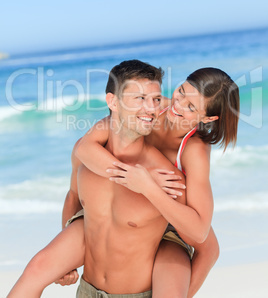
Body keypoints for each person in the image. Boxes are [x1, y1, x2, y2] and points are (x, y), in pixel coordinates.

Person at [7, 61, 240, 298]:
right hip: (125, 197)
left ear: (208, 119)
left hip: (170, 213)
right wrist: (133, 176)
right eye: (181, 91)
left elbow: (202, 238)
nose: (177, 104)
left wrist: (148, 187)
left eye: (190, 106)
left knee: (198, 253)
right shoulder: (154, 107)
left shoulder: (194, 150)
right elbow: (83, 149)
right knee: (41, 264)